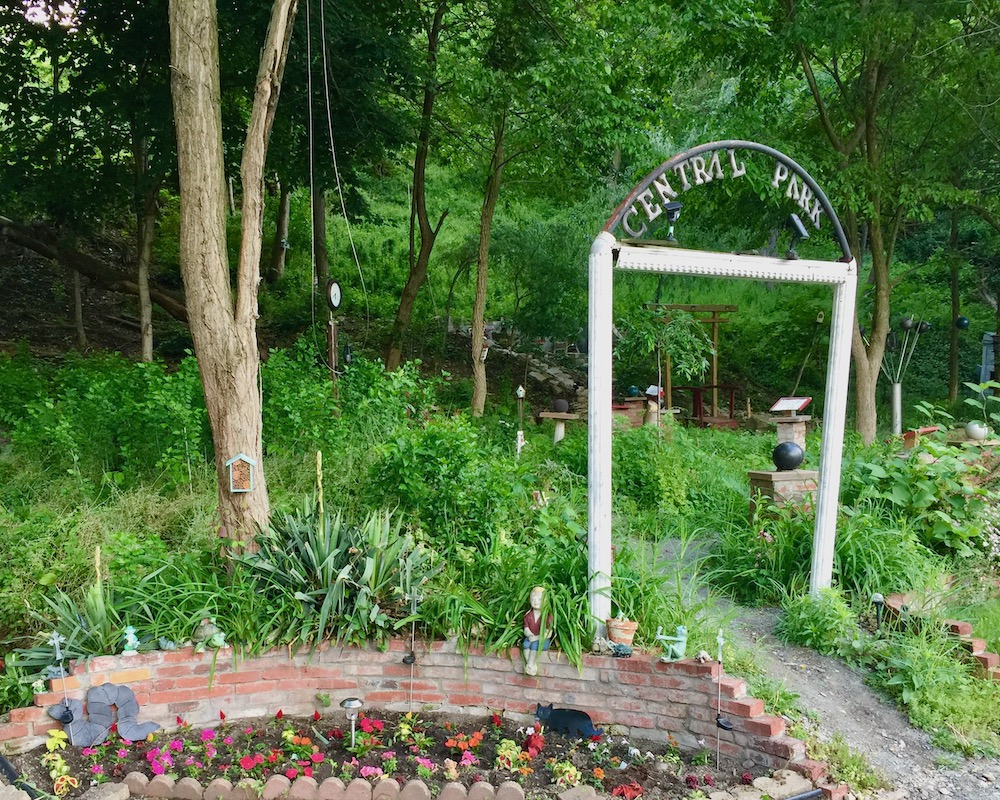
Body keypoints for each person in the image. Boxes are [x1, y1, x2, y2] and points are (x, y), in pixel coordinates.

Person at [522, 586, 552, 676]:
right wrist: (530, 635)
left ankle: (530, 665)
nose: (536, 602)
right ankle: (532, 666)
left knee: (535, 645)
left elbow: (548, 633)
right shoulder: (528, 615)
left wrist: (537, 637)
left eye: (539, 599)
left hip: (543, 639)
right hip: (532, 637)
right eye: (533, 599)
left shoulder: (547, 616)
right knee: (525, 644)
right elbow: (526, 628)